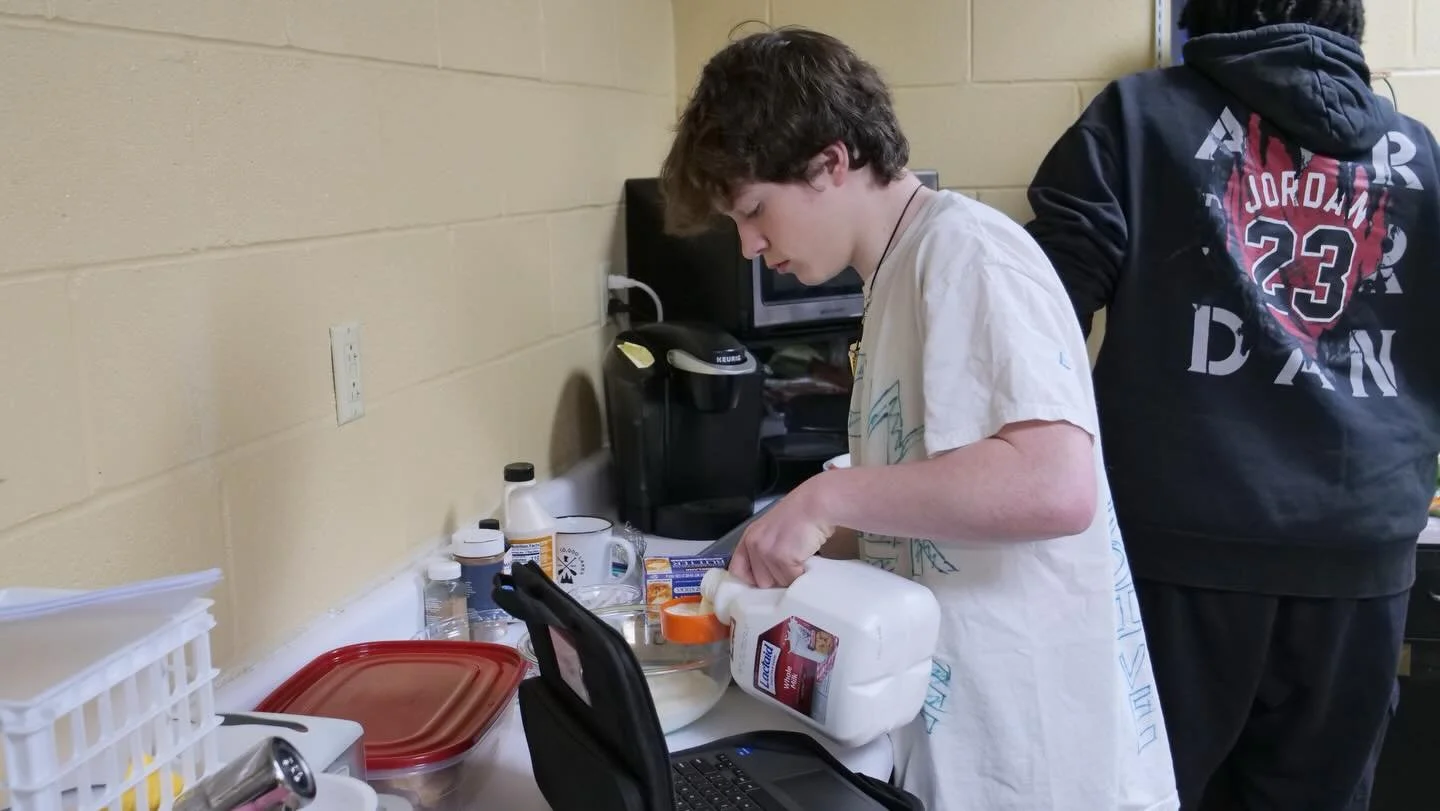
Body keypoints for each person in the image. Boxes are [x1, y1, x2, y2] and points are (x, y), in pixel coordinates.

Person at [659, 25, 1180, 811]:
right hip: (967, 734)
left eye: (755, 210)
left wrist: (825, 499)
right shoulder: (896, 279)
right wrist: (775, 546)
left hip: (1041, 755)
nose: (749, 245)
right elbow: (935, 497)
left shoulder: (968, 255)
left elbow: (1054, 484)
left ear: (831, 162)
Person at [1025, 2, 1440, 809]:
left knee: (1144, 793)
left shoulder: (1136, 117)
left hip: (1178, 557)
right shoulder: (1421, 155)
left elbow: (1031, 326)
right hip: (1358, 563)